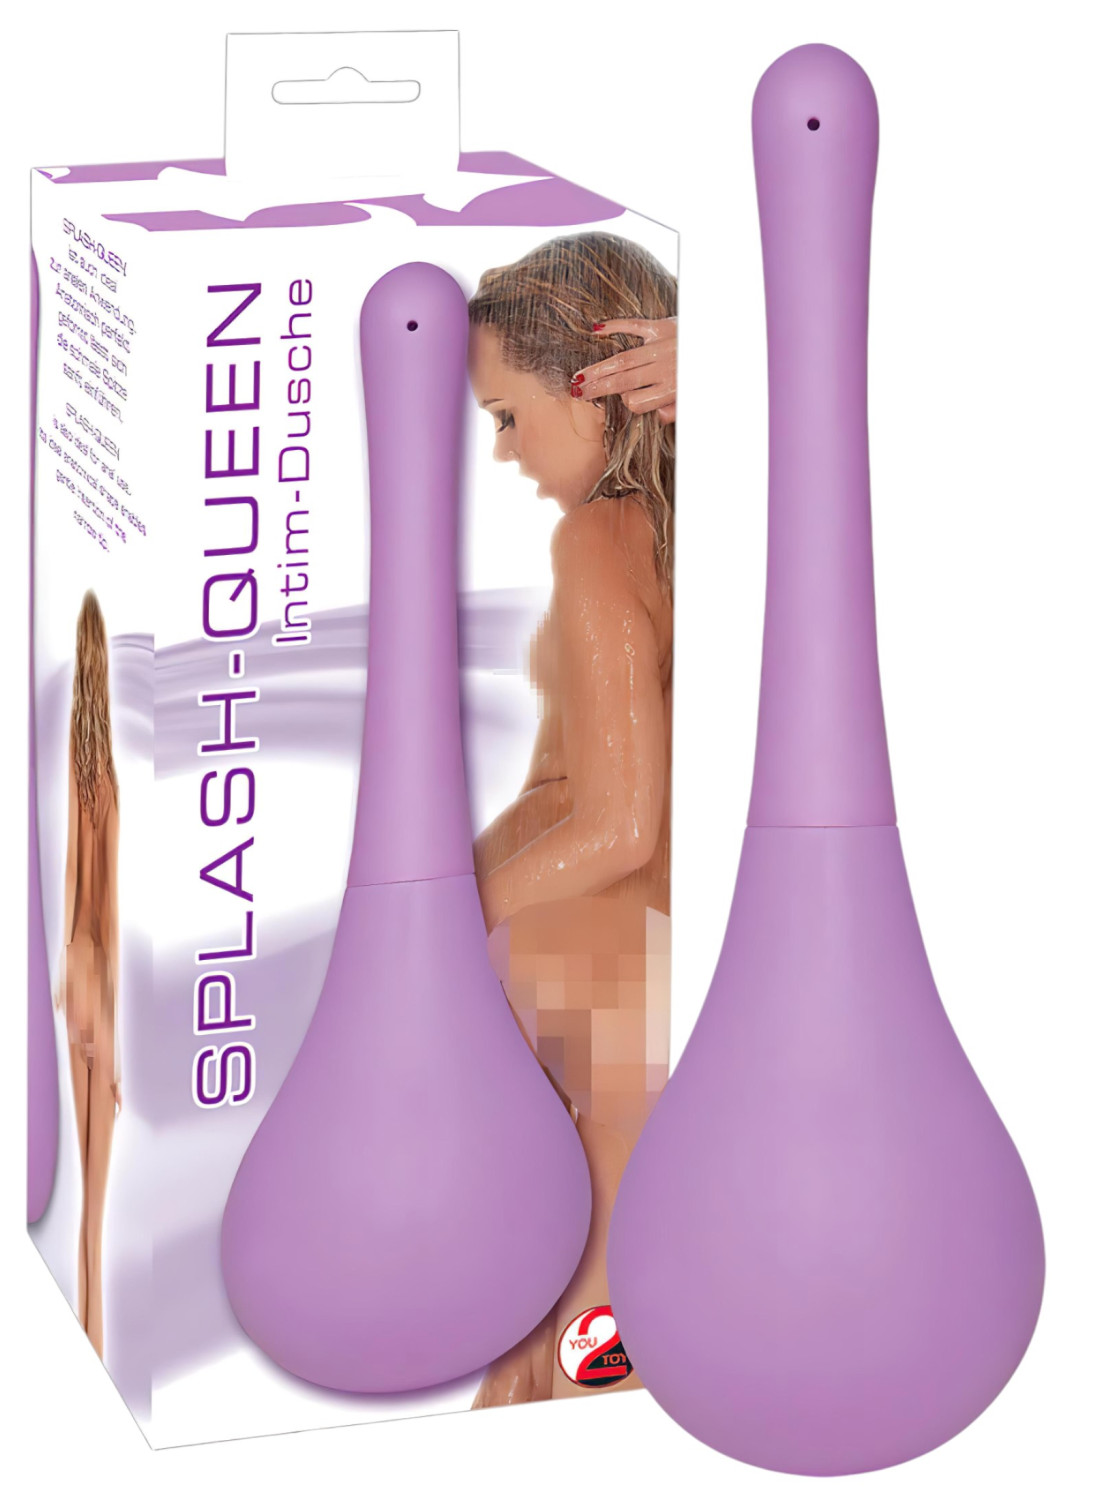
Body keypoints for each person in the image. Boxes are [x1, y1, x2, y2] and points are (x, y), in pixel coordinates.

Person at [466, 233, 676, 1403]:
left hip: (596, 993)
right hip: (627, 989)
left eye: (507, 417)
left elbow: (620, 824)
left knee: (570, 1350)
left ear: (591, 384)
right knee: (588, 1337)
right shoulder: (697, 532)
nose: (503, 452)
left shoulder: (600, 533)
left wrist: (446, 925)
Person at [56, 590, 121, 1357]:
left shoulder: (78, 775)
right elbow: (108, 908)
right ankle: (91, 1339)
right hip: (97, 985)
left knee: (86, 1186)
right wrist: (112, 1042)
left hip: (76, 974)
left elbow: (75, 883)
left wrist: (64, 978)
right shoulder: (106, 784)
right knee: (95, 1197)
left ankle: (86, 1328)